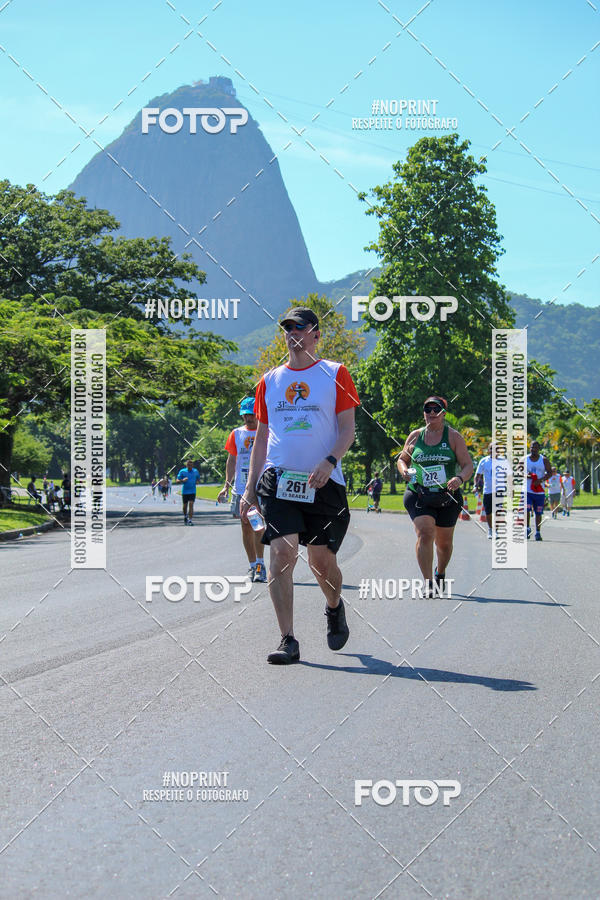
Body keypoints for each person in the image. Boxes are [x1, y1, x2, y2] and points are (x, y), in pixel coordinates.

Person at [241, 306, 360, 664]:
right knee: (281, 554)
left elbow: (348, 430)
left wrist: (330, 461)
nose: (293, 334)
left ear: (316, 334)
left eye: (300, 328)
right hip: (279, 481)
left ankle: (334, 605)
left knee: (321, 564)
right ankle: (287, 640)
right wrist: (249, 490)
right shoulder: (270, 380)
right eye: (287, 329)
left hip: (323, 482)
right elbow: (261, 439)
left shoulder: (335, 374)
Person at [397, 396, 473, 596]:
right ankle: (429, 583)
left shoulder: (453, 437)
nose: (431, 413)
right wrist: (404, 470)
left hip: (448, 496)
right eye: (427, 409)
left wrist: (459, 478)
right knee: (425, 532)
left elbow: (467, 465)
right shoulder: (415, 436)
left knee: (444, 544)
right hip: (419, 494)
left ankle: (440, 571)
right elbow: (402, 459)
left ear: (443, 414)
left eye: (436, 409)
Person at [218, 397, 267, 582]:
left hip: (261, 487)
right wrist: (226, 485)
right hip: (241, 488)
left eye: (252, 414)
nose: (248, 418)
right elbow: (231, 460)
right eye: (245, 415)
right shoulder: (236, 434)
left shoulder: (266, 432)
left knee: (257, 525)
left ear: (258, 413)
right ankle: (253, 565)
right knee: (245, 525)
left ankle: (261, 565)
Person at [474, 443, 511, 538]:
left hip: (499, 490)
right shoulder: (484, 461)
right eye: (491, 449)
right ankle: (490, 529)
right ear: (489, 450)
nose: (494, 451)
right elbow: (478, 475)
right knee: (488, 512)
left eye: (496, 449)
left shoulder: (503, 461)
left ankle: (496, 531)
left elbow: (509, 476)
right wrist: (476, 486)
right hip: (488, 491)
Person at [526, 441, 552, 540]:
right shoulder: (525, 459)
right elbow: (518, 471)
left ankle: (538, 532)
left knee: (538, 512)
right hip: (527, 490)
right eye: (532, 447)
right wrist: (528, 476)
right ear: (530, 448)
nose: (534, 449)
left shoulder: (544, 460)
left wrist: (540, 480)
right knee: (526, 510)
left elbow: (549, 473)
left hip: (539, 491)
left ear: (539, 449)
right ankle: (527, 529)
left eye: (536, 448)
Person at [174, 460, 201, 525]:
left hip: (192, 491)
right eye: (188, 465)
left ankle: (190, 520)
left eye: (191, 465)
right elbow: (177, 480)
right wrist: (182, 480)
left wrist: (197, 481)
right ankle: (185, 516)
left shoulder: (195, 471)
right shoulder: (182, 471)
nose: (190, 466)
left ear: (193, 465)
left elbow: (198, 479)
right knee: (185, 506)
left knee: (191, 504)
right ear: (186, 465)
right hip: (185, 491)